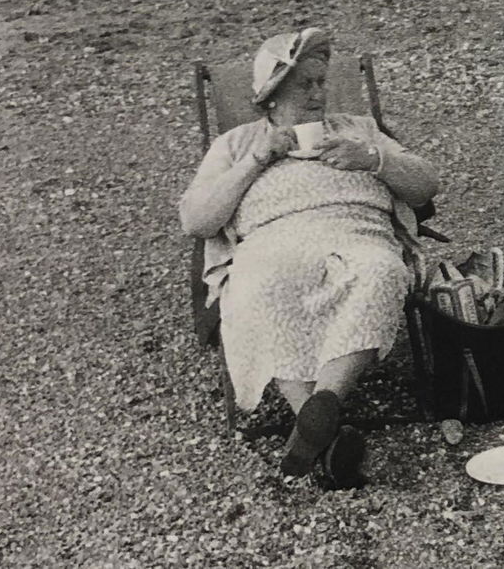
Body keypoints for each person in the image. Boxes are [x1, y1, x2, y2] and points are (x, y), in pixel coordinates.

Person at [179, 28, 441, 488]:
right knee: (258, 286)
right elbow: (197, 221)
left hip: (357, 233)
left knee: (380, 271)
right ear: (272, 94)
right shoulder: (238, 144)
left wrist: (374, 159)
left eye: (322, 82)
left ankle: (320, 410)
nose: (320, 93)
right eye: (306, 84)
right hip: (273, 243)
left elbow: (425, 185)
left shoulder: (358, 130)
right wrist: (258, 160)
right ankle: (321, 421)